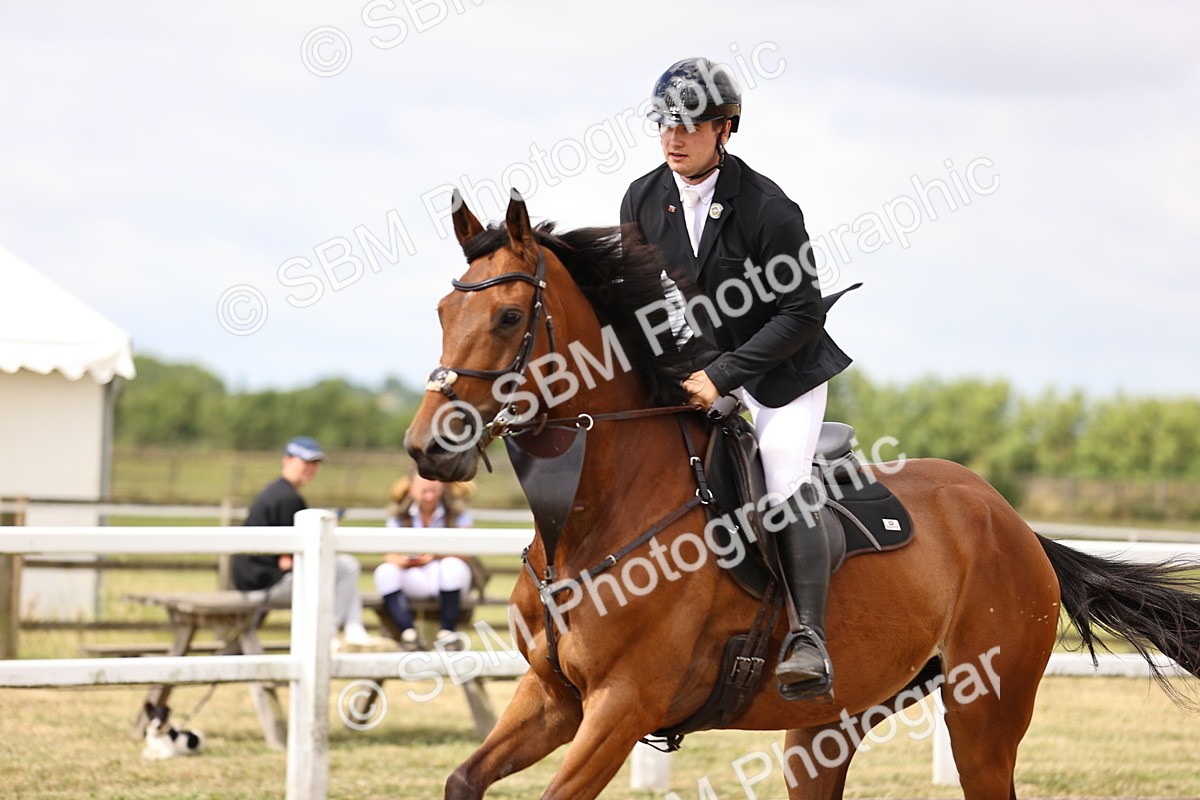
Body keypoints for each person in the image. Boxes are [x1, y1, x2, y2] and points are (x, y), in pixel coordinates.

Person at [619, 58, 854, 701]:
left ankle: (809, 635)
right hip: (697, 369)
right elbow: (641, 302)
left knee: (782, 477)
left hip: (780, 372)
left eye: (691, 124)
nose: (674, 136)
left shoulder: (768, 206)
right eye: (665, 122)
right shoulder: (642, 198)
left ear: (726, 129)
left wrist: (722, 376)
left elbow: (801, 312)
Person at [230, 436, 394, 652]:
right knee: (347, 567)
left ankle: (353, 631)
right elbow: (288, 559)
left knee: (343, 569)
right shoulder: (287, 498)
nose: (310, 468)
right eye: (305, 461)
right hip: (266, 585)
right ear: (287, 460)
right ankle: (330, 634)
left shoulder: (277, 492)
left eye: (314, 463)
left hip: (258, 582)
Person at [373, 470, 475, 651]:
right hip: (414, 575)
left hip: (447, 578)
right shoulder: (399, 514)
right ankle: (409, 634)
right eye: (424, 490)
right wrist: (405, 561)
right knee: (385, 571)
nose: (429, 496)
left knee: (452, 566)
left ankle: (447, 633)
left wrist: (434, 555)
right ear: (412, 489)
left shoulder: (457, 511)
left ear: (442, 488)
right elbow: (389, 554)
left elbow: (466, 552)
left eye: (434, 490)